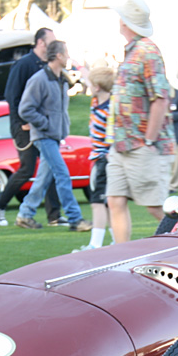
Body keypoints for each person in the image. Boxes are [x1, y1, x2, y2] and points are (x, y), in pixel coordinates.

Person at [106, 0, 174, 244]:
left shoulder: (148, 51)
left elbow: (160, 99)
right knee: (114, 200)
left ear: (125, 22)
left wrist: (148, 140)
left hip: (143, 146)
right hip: (122, 145)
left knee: (157, 207)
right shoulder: (132, 51)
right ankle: (121, 255)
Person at [14, 41, 91, 233]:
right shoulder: (39, 79)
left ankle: (25, 214)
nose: (68, 57)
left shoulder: (60, 79)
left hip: (54, 136)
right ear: (58, 55)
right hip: (44, 136)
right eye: (66, 53)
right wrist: (45, 124)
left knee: (43, 178)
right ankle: (75, 218)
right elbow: (25, 108)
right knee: (62, 174)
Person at [0, 27, 62, 228]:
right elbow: (12, 96)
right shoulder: (24, 65)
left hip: (43, 126)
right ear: (40, 42)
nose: (54, 45)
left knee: (52, 165)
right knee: (27, 169)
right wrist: (22, 122)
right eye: (51, 41)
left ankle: (54, 216)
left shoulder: (47, 66)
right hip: (24, 126)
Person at [74, 66, 115, 251]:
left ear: (97, 87)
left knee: (98, 203)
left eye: (91, 84)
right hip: (101, 159)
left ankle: (95, 244)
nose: (88, 86)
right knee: (107, 204)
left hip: (104, 159)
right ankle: (116, 241)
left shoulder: (108, 108)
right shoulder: (97, 102)